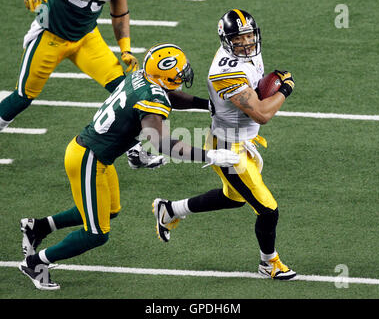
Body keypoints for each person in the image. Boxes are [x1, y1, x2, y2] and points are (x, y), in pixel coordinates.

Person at [18, 43, 240, 290]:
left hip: (94, 156)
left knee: (109, 211)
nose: (183, 75)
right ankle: (35, 263)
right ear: (163, 76)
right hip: (88, 159)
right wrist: (209, 155)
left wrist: (204, 105)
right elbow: (161, 142)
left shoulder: (142, 77)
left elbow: (168, 95)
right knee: (97, 234)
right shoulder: (152, 98)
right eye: (178, 73)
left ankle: (38, 226)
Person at [152, 9, 297, 280]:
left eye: (250, 35)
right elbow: (262, 114)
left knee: (234, 198)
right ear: (227, 40)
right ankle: (269, 263)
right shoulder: (226, 72)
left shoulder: (249, 54)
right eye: (239, 38)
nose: (247, 43)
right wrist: (285, 90)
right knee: (268, 209)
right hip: (229, 149)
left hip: (242, 140)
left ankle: (170, 210)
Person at [0, 0, 165, 172]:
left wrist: (125, 49)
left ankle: (134, 151)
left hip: (86, 37)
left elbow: (120, 11)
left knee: (127, 91)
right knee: (23, 96)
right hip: (49, 37)